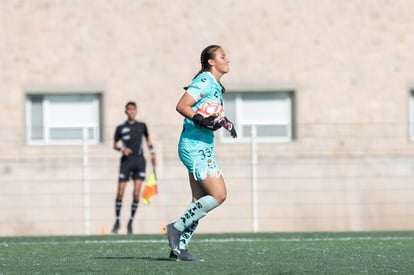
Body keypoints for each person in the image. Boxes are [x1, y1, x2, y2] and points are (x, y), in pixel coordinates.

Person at [166, 45, 237, 261]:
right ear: (211, 62)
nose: (227, 59)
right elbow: (182, 105)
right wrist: (200, 119)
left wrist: (224, 122)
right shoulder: (206, 80)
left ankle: (179, 249)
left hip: (202, 146)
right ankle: (176, 228)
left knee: (199, 199)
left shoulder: (215, 85)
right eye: (222, 56)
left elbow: (208, 114)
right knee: (218, 195)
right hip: (194, 147)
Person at [111, 101, 156, 234]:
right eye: (129, 110)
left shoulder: (142, 126)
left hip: (139, 161)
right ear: (126, 111)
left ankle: (131, 221)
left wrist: (153, 155)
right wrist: (122, 149)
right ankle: (117, 220)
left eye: (133, 109)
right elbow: (115, 145)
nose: (131, 112)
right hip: (126, 161)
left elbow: (148, 141)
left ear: (136, 111)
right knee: (120, 192)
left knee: (136, 193)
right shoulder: (120, 128)